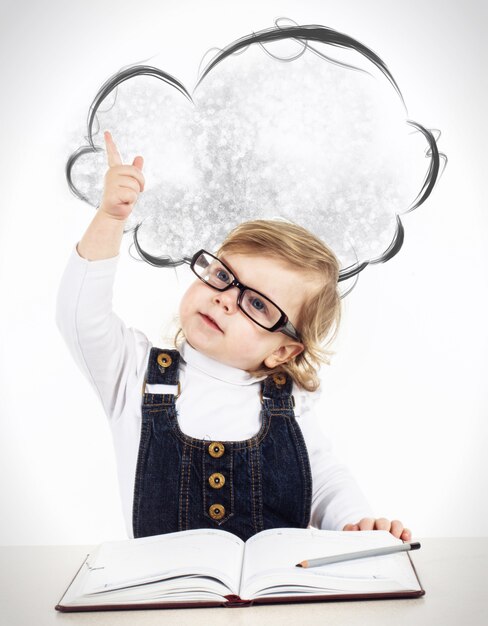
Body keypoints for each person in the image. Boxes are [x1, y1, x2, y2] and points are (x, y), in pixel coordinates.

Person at [56, 130, 412, 542]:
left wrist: (356, 523)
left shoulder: (288, 404)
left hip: (274, 598)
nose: (226, 300)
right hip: (166, 599)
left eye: (257, 304)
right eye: (224, 276)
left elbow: (326, 479)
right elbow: (80, 316)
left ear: (283, 350)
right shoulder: (133, 374)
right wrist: (111, 218)